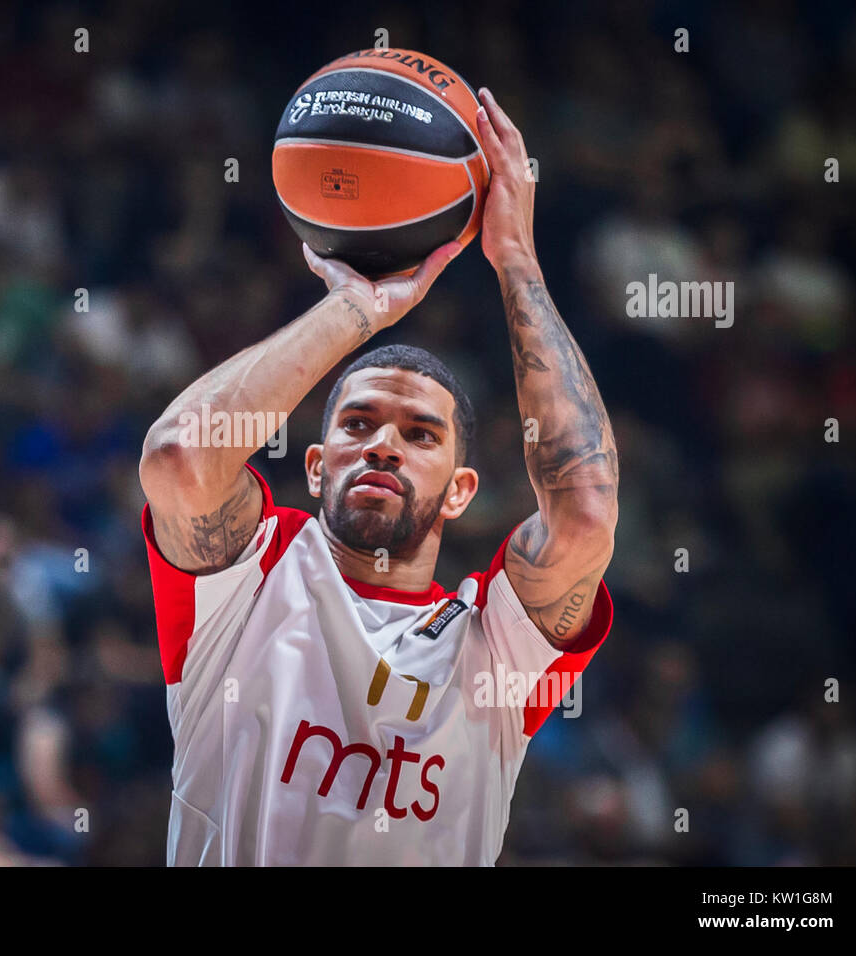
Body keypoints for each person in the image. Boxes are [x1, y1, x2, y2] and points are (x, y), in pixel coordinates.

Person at [138, 88, 619, 865]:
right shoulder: (251, 575)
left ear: (462, 489)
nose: (384, 444)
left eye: (421, 434)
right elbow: (178, 459)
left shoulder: (493, 647)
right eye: (357, 425)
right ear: (318, 465)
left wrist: (518, 260)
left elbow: (586, 513)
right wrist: (357, 309)